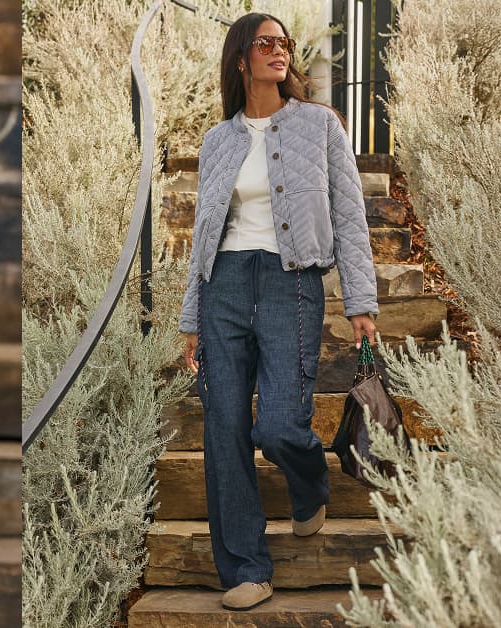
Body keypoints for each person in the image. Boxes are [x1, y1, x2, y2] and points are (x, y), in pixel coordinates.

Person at [177, 12, 379, 612]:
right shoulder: (218, 139)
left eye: (284, 42)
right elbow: (203, 236)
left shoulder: (320, 125)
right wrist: (190, 319)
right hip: (223, 288)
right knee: (225, 428)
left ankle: (311, 482)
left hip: (291, 284)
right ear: (241, 59)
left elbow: (350, 217)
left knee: (280, 426)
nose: (279, 50)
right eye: (265, 43)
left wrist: (361, 301)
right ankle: (245, 568)